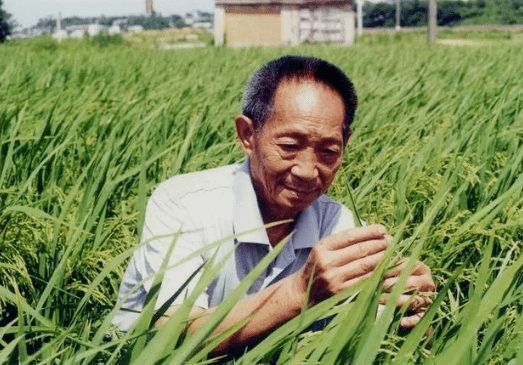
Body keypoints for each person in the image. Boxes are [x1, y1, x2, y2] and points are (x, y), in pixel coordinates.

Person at [113, 55, 435, 354]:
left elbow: (374, 333)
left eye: (328, 151)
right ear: (247, 135)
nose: (308, 171)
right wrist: (300, 293)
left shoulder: (338, 224)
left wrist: (412, 312)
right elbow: (174, 335)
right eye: (290, 146)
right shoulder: (182, 205)